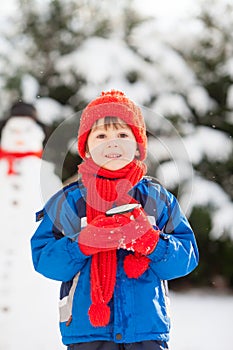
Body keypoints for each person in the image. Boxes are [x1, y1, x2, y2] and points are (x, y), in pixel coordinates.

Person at [31, 90, 199, 350]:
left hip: (146, 333)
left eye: (123, 135)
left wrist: (153, 243)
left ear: (138, 144)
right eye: (101, 136)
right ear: (85, 148)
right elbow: (45, 260)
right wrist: (81, 245)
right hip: (88, 333)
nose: (113, 144)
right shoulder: (70, 202)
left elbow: (185, 258)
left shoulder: (156, 198)